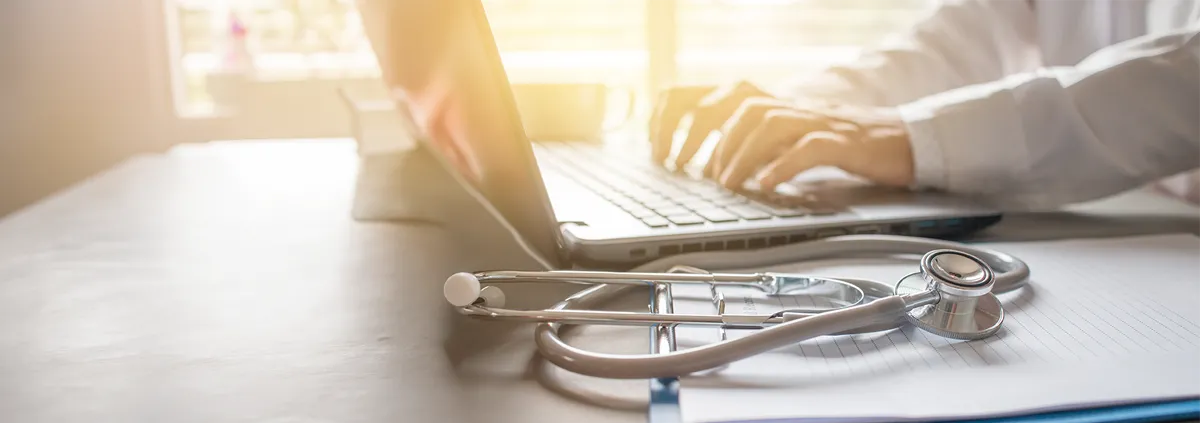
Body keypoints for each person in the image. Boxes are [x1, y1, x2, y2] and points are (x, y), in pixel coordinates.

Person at [651, 0, 1200, 209]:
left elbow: (1182, 81)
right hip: (1128, 225)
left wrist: (911, 139)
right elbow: (963, 38)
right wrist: (798, 110)